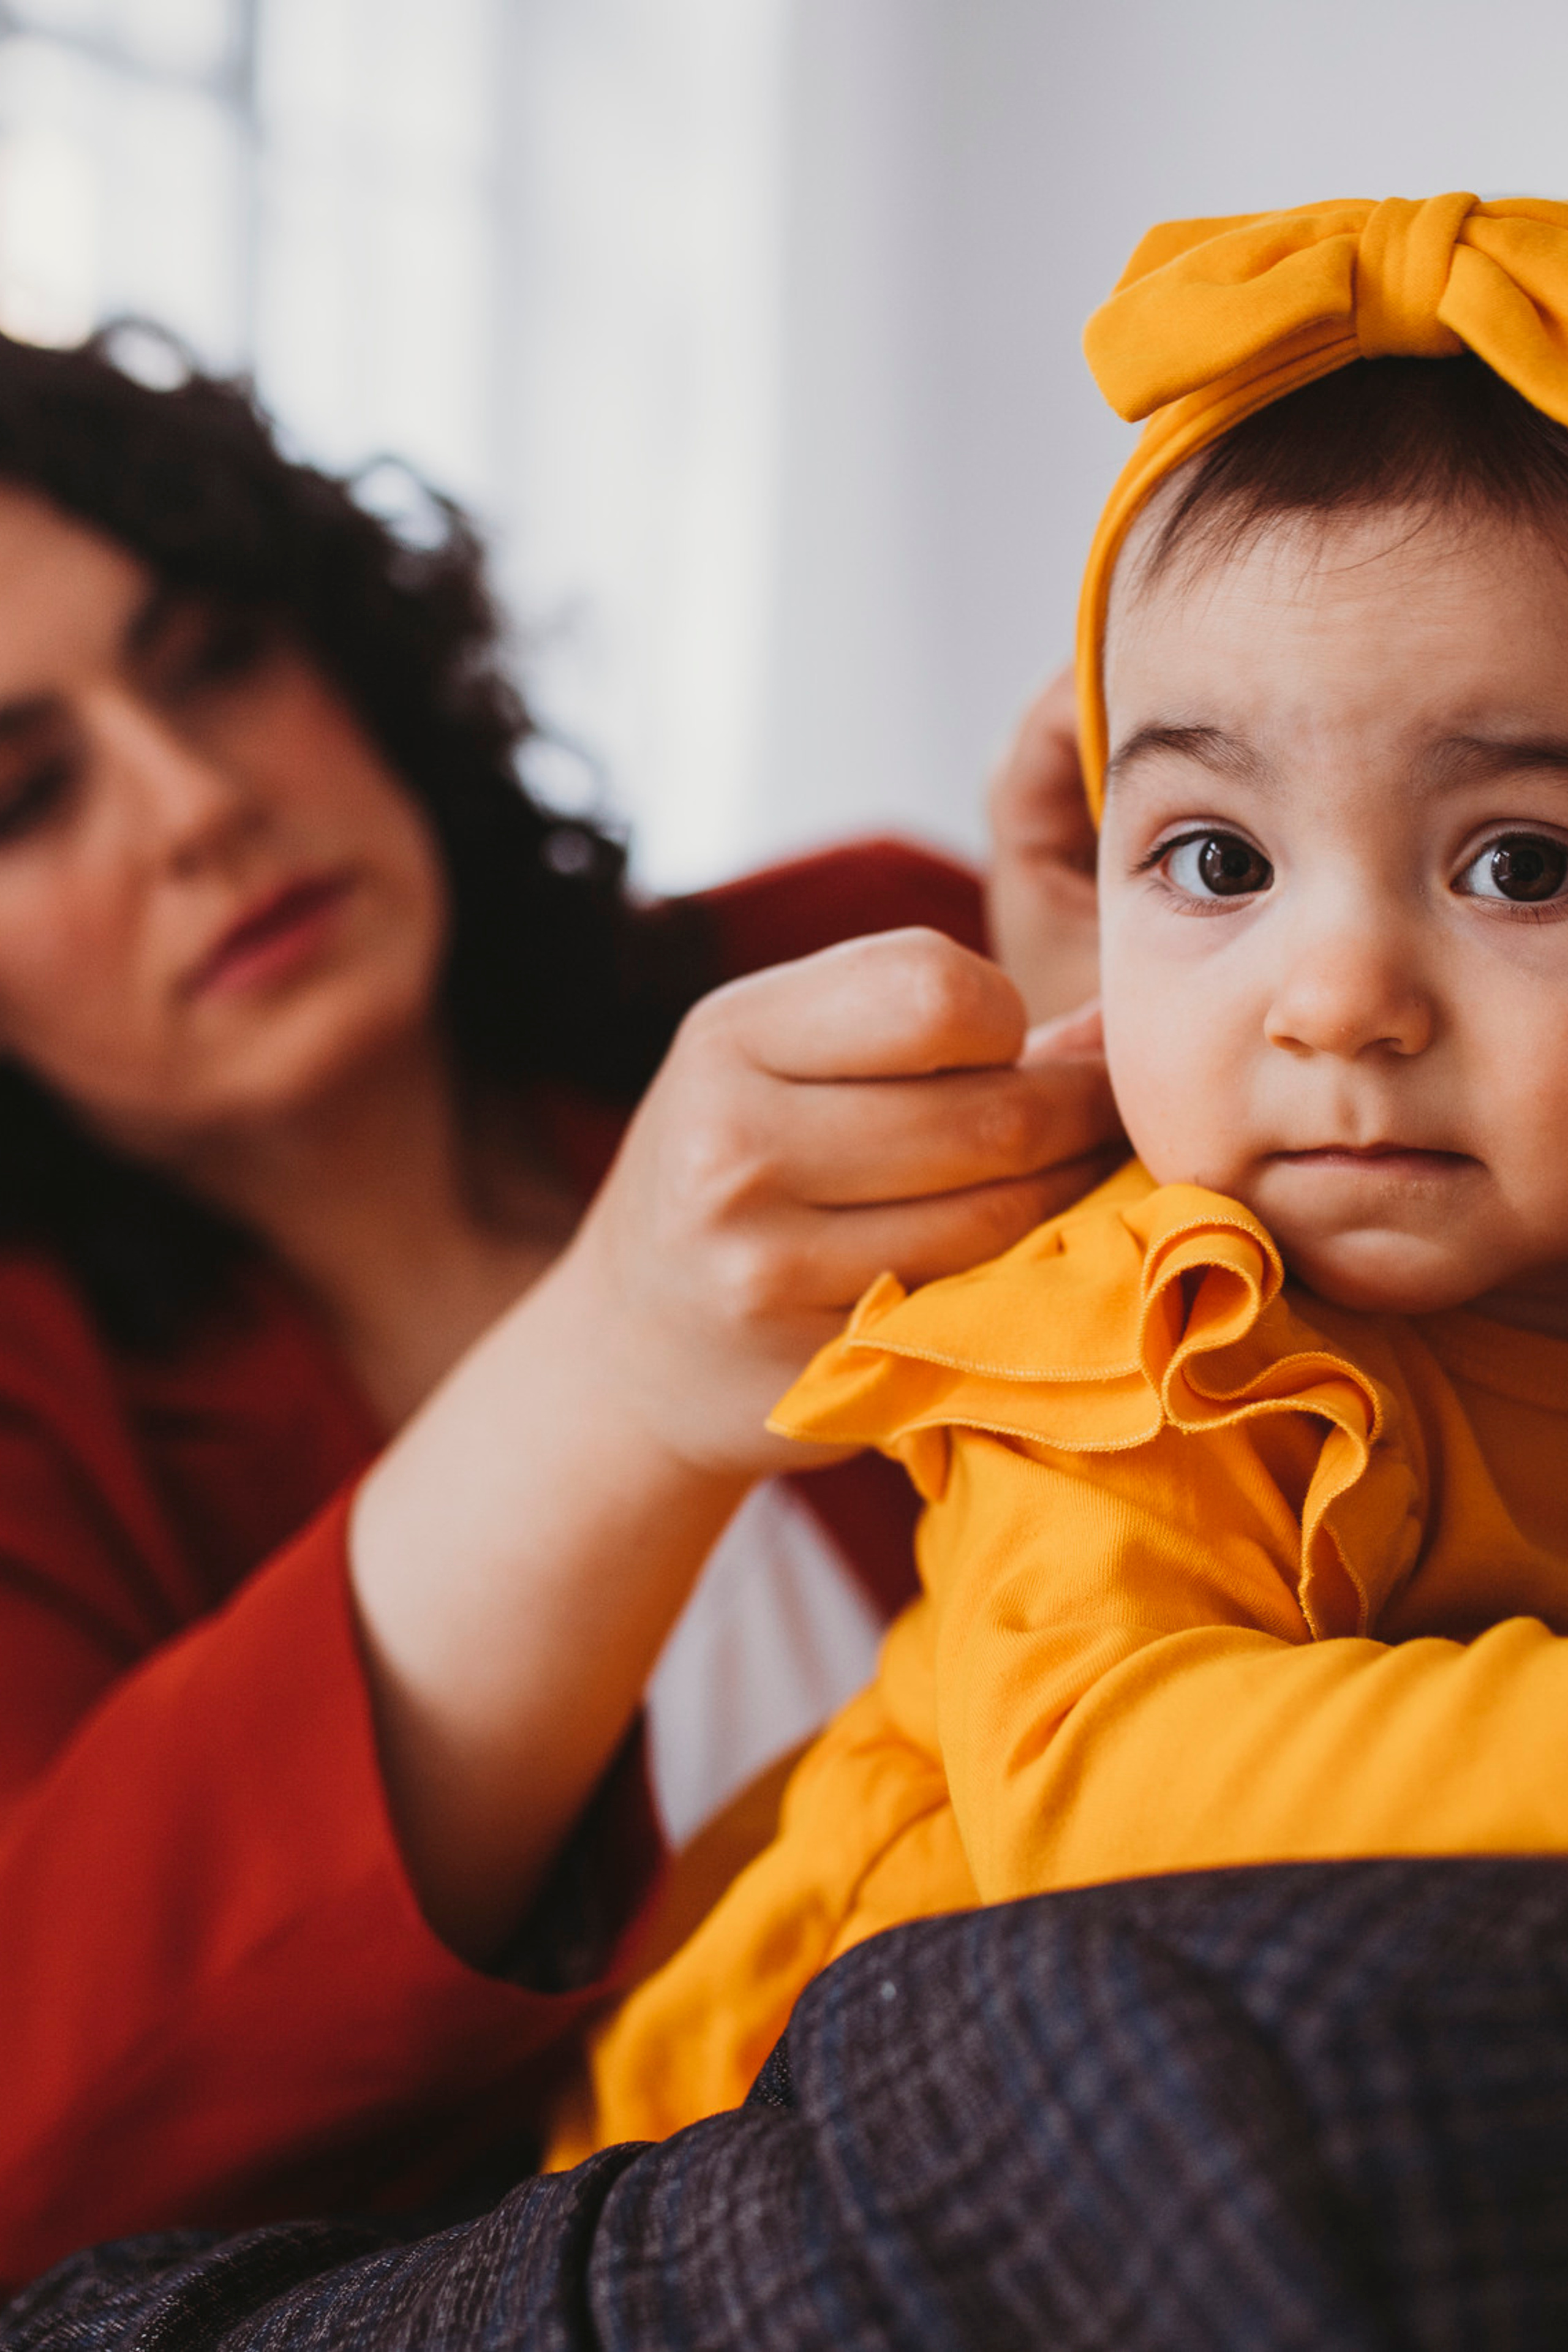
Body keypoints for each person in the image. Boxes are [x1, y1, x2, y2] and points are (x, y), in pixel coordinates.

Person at [0, 325, 1118, 2289]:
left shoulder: (859, 963)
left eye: (216, 661)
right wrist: (618, 1362)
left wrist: (1200, 993)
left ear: (350, 648)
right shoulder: (39, 1418)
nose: (196, 806)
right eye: (23, 799)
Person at [549, 192, 1568, 2153]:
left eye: (1522, 864)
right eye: (1218, 864)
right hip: (805, 2155)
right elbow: (1115, 1789)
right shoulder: (1142, 1333)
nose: (1335, 999)